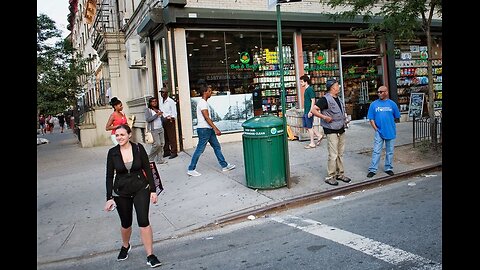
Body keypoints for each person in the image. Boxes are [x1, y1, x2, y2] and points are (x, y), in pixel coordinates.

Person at [104, 124, 162, 267]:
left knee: (143, 221)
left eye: (122, 135)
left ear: (129, 135)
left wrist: (153, 190)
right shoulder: (112, 152)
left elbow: (147, 169)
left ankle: (150, 255)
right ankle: (125, 245)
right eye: (117, 135)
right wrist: (109, 198)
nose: (119, 138)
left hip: (140, 188)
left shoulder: (138, 148)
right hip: (121, 191)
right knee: (126, 223)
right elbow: (109, 176)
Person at [187, 85, 235, 176]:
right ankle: (191, 168)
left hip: (207, 129)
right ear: (205, 92)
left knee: (217, 147)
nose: (211, 93)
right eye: (209, 91)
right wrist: (215, 128)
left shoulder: (204, 102)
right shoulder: (202, 103)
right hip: (204, 130)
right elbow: (206, 117)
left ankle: (224, 166)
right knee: (200, 149)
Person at [311, 78, 351, 186]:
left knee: (340, 153)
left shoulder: (338, 98)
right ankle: (330, 176)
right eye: (337, 85)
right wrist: (324, 117)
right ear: (332, 87)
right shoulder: (325, 99)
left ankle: (340, 174)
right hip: (331, 129)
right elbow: (313, 110)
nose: (339, 87)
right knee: (333, 154)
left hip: (340, 128)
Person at [366, 85, 401, 178]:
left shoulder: (392, 104)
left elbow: (396, 116)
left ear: (386, 92)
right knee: (376, 151)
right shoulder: (373, 104)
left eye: (381, 92)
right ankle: (373, 169)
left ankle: (388, 168)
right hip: (379, 132)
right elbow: (371, 118)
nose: (379, 93)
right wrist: (376, 129)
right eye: (378, 92)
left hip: (390, 131)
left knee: (390, 151)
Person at [300, 74, 325, 149]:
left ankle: (312, 143)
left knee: (309, 127)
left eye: (301, 82)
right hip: (306, 110)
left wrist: (311, 111)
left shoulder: (310, 89)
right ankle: (318, 135)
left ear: (306, 82)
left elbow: (313, 100)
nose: (301, 83)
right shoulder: (307, 89)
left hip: (308, 111)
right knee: (307, 126)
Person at [145, 97, 167, 164]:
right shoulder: (148, 110)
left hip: (160, 128)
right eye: (153, 101)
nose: (154, 102)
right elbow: (148, 119)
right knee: (156, 144)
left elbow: (161, 119)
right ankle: (149, 158)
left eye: (155, 101)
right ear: (150, 103)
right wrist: (156, 115)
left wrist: (163, 116)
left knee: (162, 144)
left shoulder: (158, 109)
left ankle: (160, 159)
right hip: (154, 129)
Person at [159, 88, 178, 159]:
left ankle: (174, 152)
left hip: (169, 120)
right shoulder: (161, 101)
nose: (162, 94)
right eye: (161, 92)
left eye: (163, 92)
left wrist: (171, 117)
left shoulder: (170, 101)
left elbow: (174, 113)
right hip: (162, 120)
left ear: (167, 93)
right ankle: (166, 151)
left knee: (171, 137)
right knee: (165, 137)